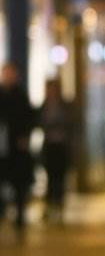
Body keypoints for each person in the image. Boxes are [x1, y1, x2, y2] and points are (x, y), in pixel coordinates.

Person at [0, 63, 36, 238]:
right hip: (2, 149)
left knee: (19, 185)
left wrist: (24, 137)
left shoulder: (21, 97)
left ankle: (20, 219)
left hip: (17, 150)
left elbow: (29, 119)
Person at [39, 79, 76, 224]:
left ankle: (59, 208)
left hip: (62, 147)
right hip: (49, 147)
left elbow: (72, 124)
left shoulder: (65, 106)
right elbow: (39, 122)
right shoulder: (44, 106)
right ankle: (49, 207)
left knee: (60, 178)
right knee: (50, 178)